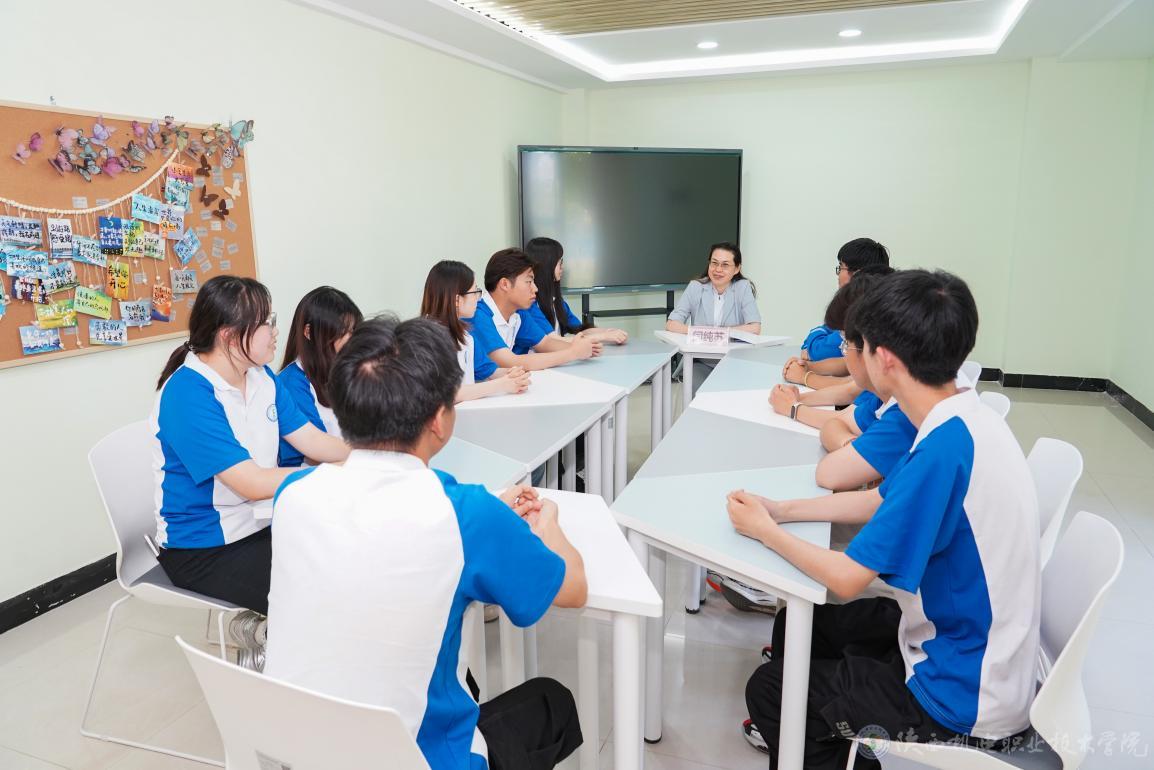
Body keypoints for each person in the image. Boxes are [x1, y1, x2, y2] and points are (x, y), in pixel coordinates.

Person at [726, 270, 1039, 768]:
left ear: (885, 358)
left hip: (961, 695)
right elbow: (878, 502)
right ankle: (820, 733)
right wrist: (783, 511)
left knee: (772, 689)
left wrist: (765, 532)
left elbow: (848, 577)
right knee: (804, 627)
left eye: (858, 344)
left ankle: (833, 742)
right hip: (968, 644)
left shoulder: (941, 450)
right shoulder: (959, 418)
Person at [264, 315, 587, 770]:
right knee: (552, 702)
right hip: (417, 759)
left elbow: (380, 528)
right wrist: (547, 523)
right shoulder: (466, 515)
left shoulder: (293, 494)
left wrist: (489, 514)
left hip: (303, 752)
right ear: (439, 419)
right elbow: (573, 590)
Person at [150, 276, 349, 622]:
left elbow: (311, 440)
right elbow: (251, 483)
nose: (275, 331)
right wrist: (335, 474)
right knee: (322, 596)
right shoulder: (187, 394)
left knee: (347, 560)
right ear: (229, 335)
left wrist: (368, 453)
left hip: (262, 524)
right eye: (267, 322)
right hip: (204, 549)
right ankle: (271, 640)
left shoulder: (262, 377)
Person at [468, 248, 599, 381]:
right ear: (505, 284)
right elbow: (511, 361)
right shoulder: (478, 316)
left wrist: (581, 348)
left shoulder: (518, 312)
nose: (535, 289)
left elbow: (544, 343)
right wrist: (573, 353)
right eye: (529, 282)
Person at [421, 259, 532, 401]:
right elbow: (447, 393)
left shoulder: (465, 335)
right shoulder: (425, 339)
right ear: (457, 300)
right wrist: (501, 385)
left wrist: (513, 375)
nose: (478, 299)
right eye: (475, 292)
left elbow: (488, 371)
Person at [277, 286, 362, 467]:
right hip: (312, 477)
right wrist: (371, 453)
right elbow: (316, 453)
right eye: (342, 331)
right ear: (308, 332)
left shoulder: (349, 371)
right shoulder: (291, 383)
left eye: (353, 330)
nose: (350, 339)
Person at [666, 242, 761, 391]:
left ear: (736, 268)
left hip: (733, 361)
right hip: (700, 361)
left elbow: (755, 328)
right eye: (714, 263)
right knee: (697, 392)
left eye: (725, 265)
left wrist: (720, 333)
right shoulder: (696, 287)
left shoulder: (743, 287)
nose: (718, 269)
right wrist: (701, 332)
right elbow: (672, 324)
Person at [791, 239, 891, 380]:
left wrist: (805, 376)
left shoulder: (865, 315)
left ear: (856, 273)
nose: (838, 275)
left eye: (840, 267)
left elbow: (817, 350)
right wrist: (808, 368)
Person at [523, 236, 628, 346]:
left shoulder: (556, 302)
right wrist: (603, 336)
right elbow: (551, 340)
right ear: (547, 265)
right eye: (560, 262)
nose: (562, 267)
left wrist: (608, 332)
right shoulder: (529, 305)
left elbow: (579, 330)